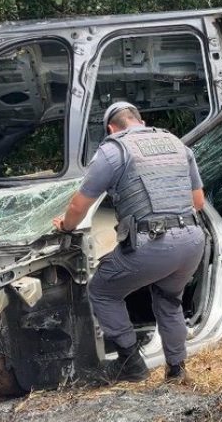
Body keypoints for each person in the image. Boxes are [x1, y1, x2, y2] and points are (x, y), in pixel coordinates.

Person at [52, 101, 205, 384]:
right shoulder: (176, 144)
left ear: (111, 128)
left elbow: (78, 205)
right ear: (140, 121)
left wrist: (65, 225)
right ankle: (176, 370)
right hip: (193, 241)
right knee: (169, 299)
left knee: (102, 291)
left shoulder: (113, 150)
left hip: (154, 244)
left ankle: (131, 364)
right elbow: (198, 202)